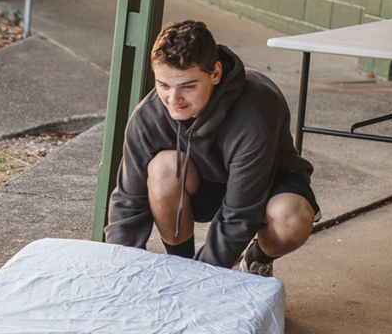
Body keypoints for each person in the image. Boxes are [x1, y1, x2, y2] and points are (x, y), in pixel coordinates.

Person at [105, 19, 320, 277]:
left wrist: (203, 278)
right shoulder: (148, 117)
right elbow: (128, 202)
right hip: (206, 184)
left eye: (188, 86)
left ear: (215, 74)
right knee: (163, 170)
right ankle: (181, 265)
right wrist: (117, 270)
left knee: (291, 217)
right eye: (164, 85)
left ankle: (257, 259)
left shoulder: (256, 110)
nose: (173, 99)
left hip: (267, 184)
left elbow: (240, 213)